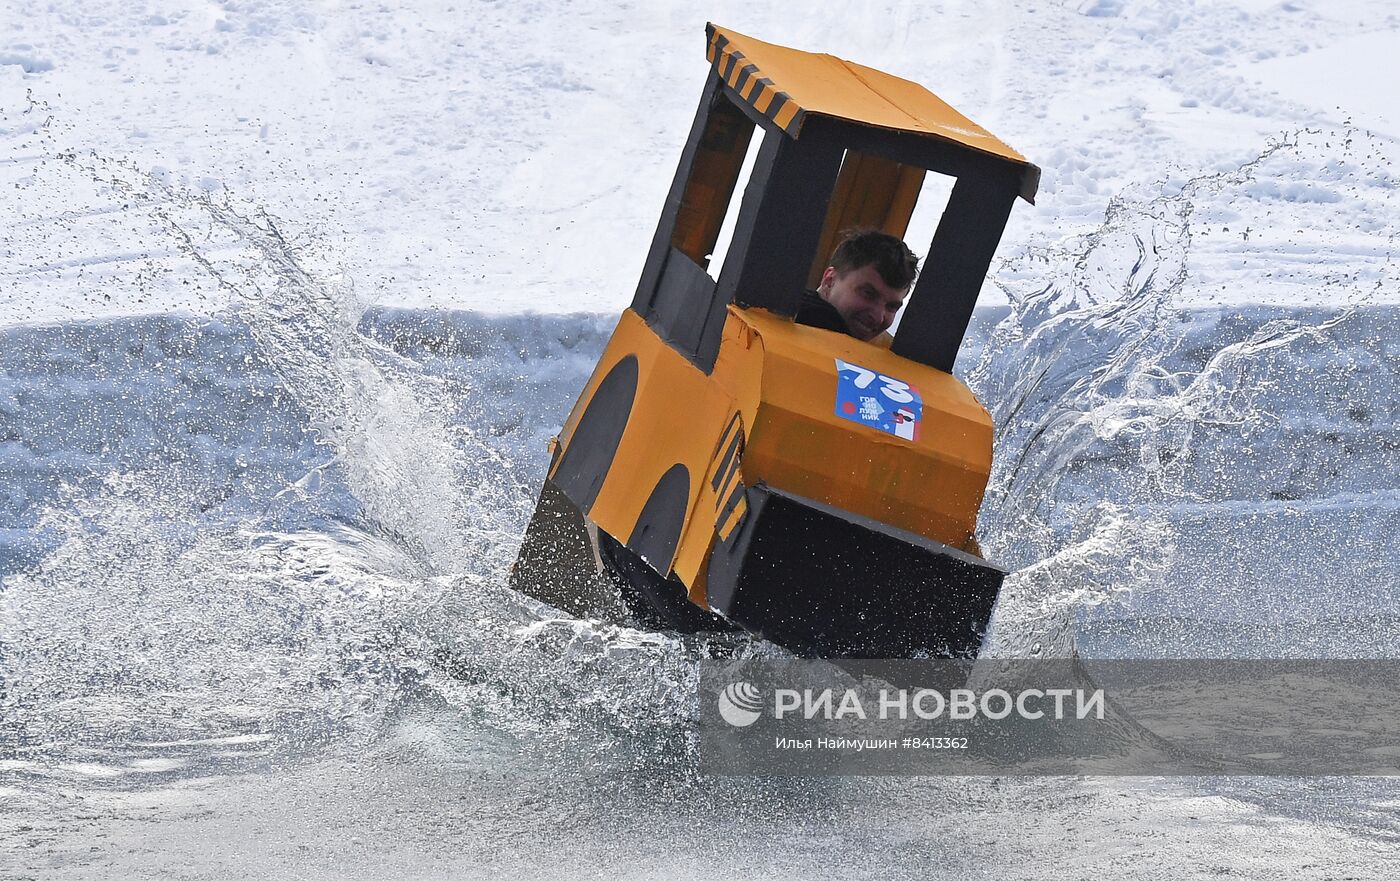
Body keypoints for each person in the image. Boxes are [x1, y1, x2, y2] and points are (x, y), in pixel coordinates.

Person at [795, 229, 919, 345]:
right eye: (868, 294)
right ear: (829, 281)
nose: (878, 317)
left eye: (891, 307)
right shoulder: (805, 322)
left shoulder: (882, 347)